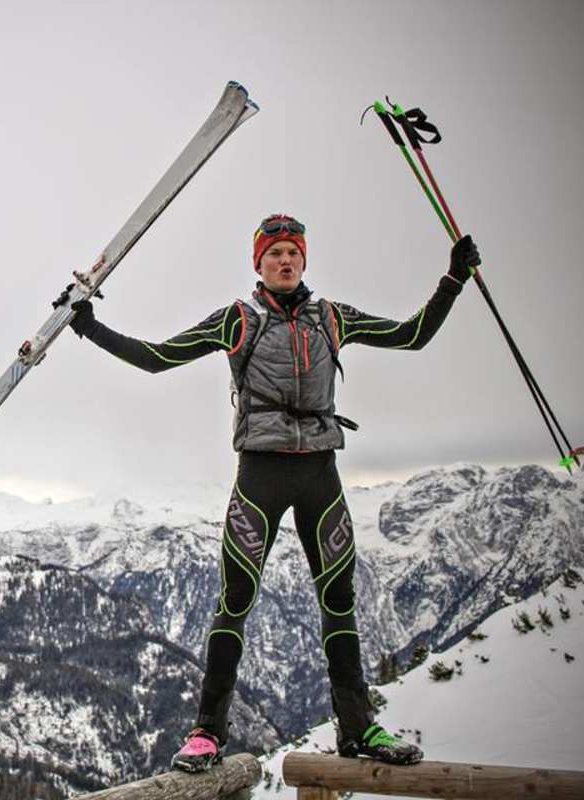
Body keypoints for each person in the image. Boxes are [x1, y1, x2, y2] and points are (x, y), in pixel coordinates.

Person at [66, 214, 480, 772]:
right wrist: (90, 326)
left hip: (320, 476)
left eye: (293, 252)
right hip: (259, 475)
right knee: (233, 601)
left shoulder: (331, 317)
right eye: (274, 253)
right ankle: (207, 734)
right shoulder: (237, 320)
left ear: (304, 260)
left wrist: (452, 280)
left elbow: (413, 335)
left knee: (339, 602)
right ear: (257, 263)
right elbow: (157, 357)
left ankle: (358, 730)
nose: (284, 261)